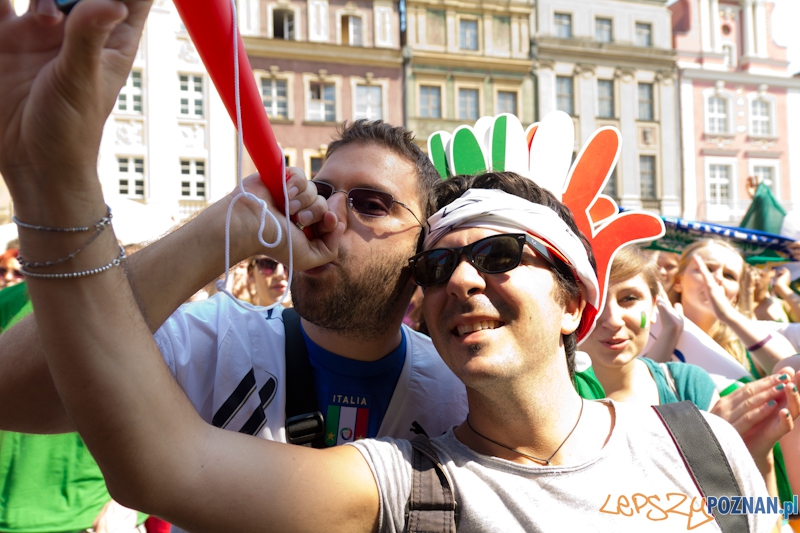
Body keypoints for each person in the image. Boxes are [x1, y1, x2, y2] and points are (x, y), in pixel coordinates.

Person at [668, 239, 797, 377]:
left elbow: (793, 375)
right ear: (678, 282)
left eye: (729, 276)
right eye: (706, 269)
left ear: (736, 295)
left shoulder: (754, 339)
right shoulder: (652, 332)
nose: (717, 278)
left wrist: (728, 315)